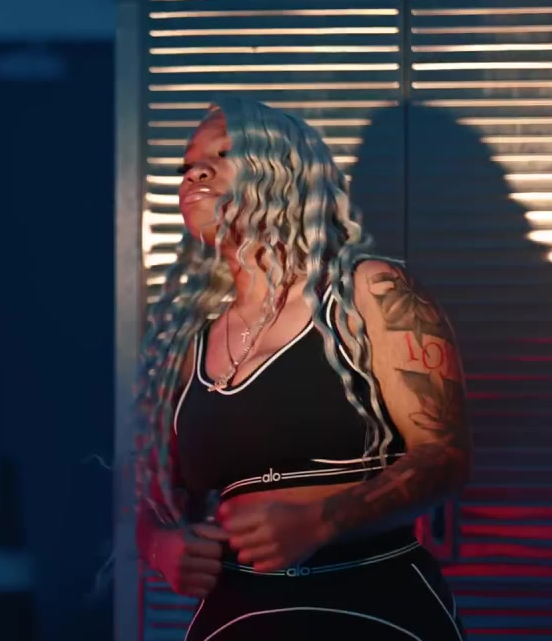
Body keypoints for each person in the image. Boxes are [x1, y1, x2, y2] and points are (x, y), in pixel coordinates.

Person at [133, 97, 472, 640]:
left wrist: (319, 522)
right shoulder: (188, 343)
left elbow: (445, 455)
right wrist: (160, 545)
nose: (195, 173)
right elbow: (153, 497)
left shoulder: (370, 292)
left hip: (373, 605)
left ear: (286, 171)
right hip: (236, 618)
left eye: (224, 154)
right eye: (187, 166)